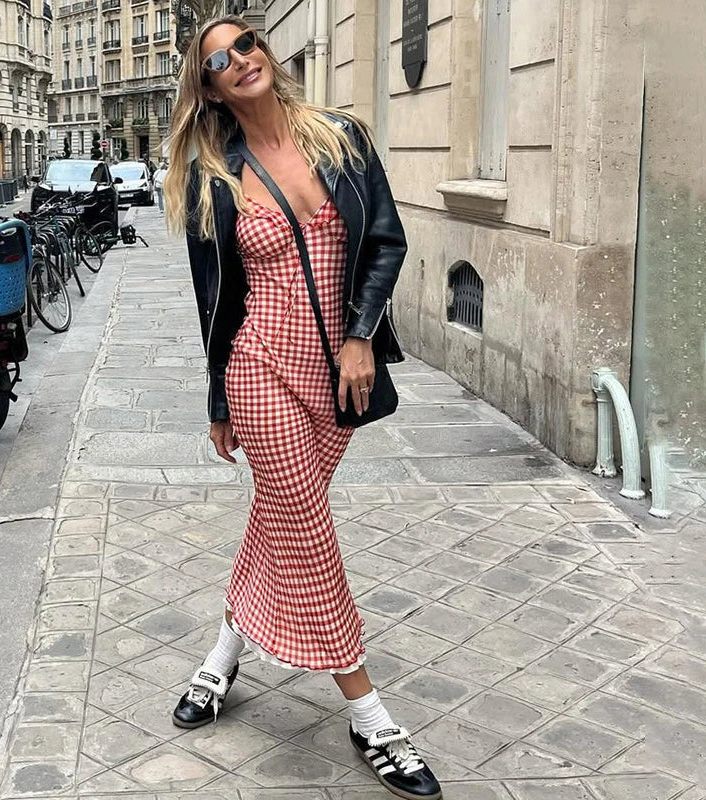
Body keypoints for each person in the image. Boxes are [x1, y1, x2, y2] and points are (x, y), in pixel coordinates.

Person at [163, 16, 441, 800]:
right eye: (216, 59)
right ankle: (373, 717)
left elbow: (385, 241)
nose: (237, 60)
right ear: (208, 85)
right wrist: (220, 397)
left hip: (337, 376)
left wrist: (361, 338)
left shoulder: (343, 137)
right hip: (259, 366)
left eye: (244, 43)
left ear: (265, 53)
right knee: (309, 530)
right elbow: (213, 298)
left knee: (281, 518)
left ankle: (221, 658)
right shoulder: (212, 172)